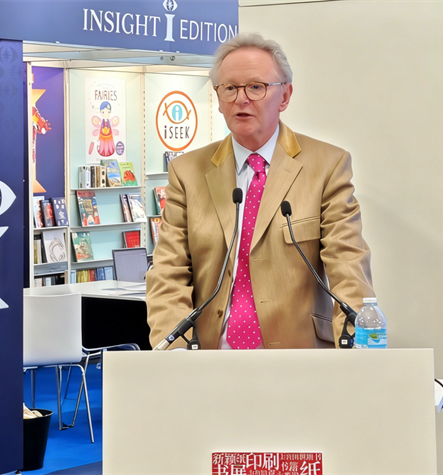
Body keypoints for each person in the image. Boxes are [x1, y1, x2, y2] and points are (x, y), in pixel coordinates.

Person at [146, 32, 374, 349]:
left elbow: (348, 270)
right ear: (218, 98)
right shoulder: (187, 172)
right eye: (229, 88)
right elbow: (168, 274)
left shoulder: (327, 166)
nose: (241, 99)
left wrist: (359, 355)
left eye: (256, 87)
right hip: (209, 358)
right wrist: (176, 357)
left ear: (285, 96)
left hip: (299, 358)